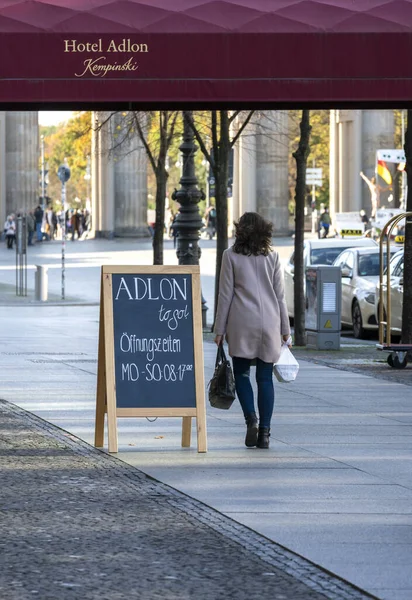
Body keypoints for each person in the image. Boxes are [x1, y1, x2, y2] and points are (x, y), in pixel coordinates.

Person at [213, 212, 291, 449]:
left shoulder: (230, 256)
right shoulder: (273, 256)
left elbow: (225, 295)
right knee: (265, 377)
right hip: (269, 321)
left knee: (242, 374)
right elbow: (280, 295)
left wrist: (219, 329)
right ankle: (265, 433)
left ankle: (251, 420)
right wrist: (285, 329)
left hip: (242, 321)